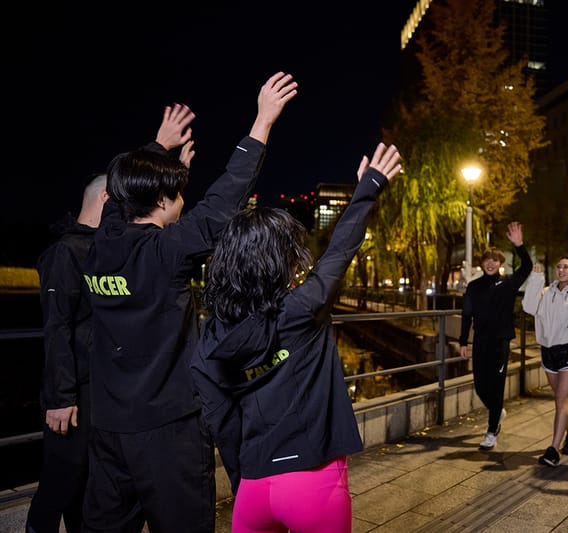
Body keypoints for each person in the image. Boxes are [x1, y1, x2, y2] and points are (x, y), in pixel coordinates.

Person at [81, 72, 298, 532]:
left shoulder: (102, 243)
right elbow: (225, 200)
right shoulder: (166, 253)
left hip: (109, 428)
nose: (185, 200)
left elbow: (122, 196)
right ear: (162, 200)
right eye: (178, 193)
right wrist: (262, 122)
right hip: (167, 431)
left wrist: (158, 148)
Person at [190, 143, 401, 533]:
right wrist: (369, 186)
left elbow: (222, 424)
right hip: (313, 481)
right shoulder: (304, 309)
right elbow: (340, 250)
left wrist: (245, 482)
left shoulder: (209, 342)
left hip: (253, 491)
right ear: (279, 262)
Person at [25, 173, 108, 533]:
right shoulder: (66, 251)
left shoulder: (98, 248)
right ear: (107, 199)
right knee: (60, 484)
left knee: (86, 487)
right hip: (71, 397)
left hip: (96, 390)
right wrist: (61, 396)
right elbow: (56, 327)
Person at [459, 222, 533, 450]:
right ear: (482, 264)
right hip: (480, 342)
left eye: (495, 260)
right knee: (480, 385)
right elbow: (466, 314)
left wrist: (519, 245)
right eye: (486, 260)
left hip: (500, 343)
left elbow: (527, 266)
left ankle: (491, 431)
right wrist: (463, 341)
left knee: (497, 385)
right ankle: (497, 410)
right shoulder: (474, 286)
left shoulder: (509, 283)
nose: (490, 263)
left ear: (501, 263)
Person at [522, 256, 568, 467]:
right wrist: (535, 279)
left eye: (567, 267)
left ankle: (553, 449)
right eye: (559, 266)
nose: (561, 270)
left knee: (560, 401)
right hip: (549, 350)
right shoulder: (546, 292)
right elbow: (528, 307)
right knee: (561, 398)